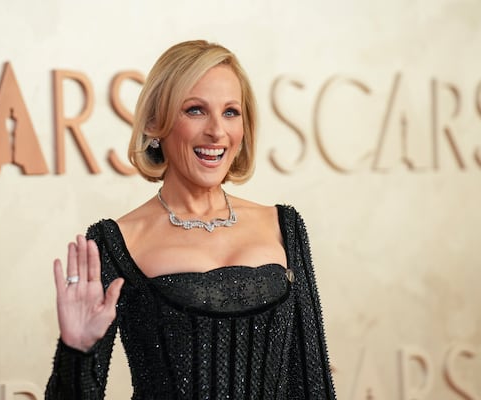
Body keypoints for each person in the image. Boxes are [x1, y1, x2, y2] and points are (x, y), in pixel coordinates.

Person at [45, 40, 336, 400]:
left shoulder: (284, 226)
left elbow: (313, 386)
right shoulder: (116, 241)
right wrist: (76, 350)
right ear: (154, 122)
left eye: (231, 112)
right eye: (195, 110)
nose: (217, 131)